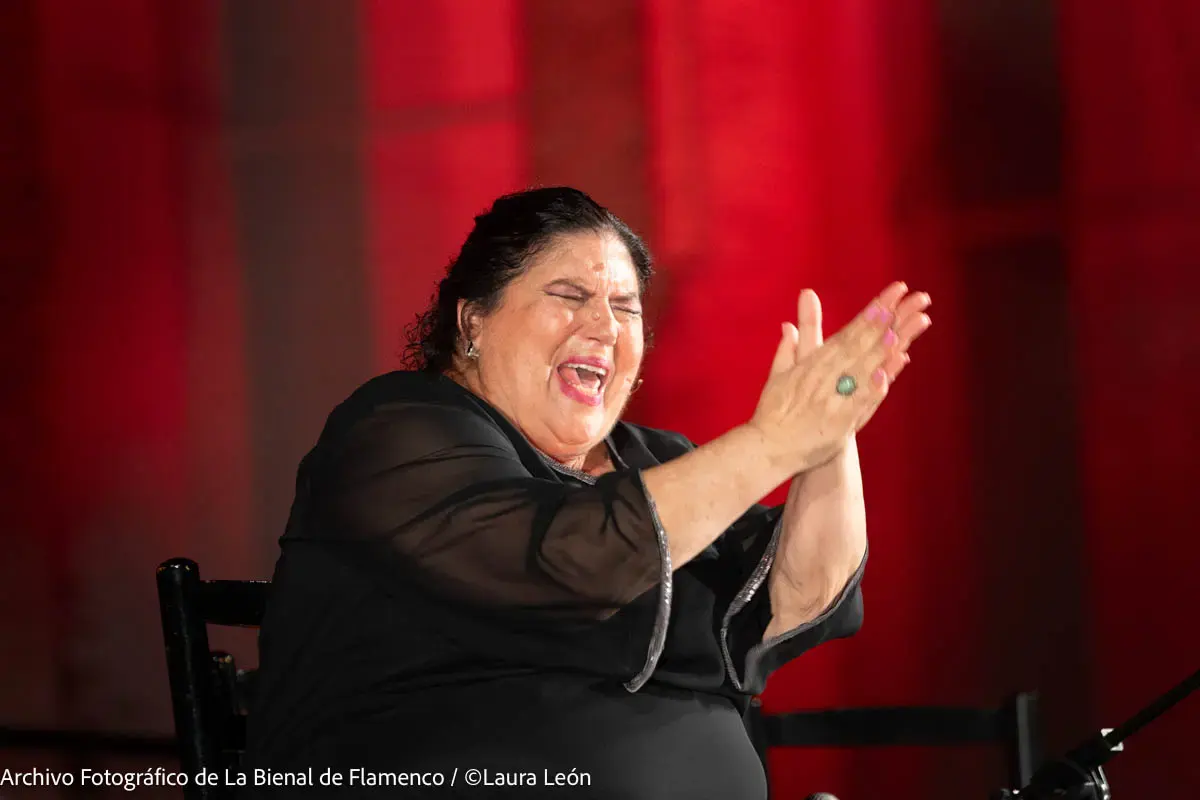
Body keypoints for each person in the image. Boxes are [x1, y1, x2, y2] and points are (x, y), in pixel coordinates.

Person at [241, 187, 932, 799]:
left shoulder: (657, 461)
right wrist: (774, 441)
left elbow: (801, 596)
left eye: (626, 308)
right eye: (570, 296)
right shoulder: (395, 431)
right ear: (472, 321)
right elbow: (575, 561)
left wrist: (827, 433)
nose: (605, 326)